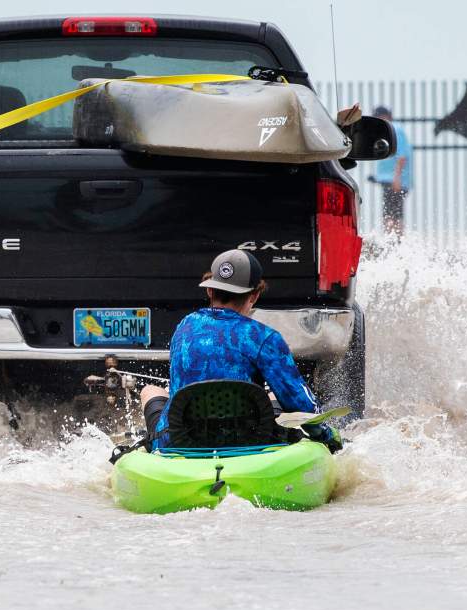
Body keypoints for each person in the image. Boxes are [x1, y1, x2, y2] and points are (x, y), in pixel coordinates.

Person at [138, 249, 342, 452]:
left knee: (151, 390)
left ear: (210, 291)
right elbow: (299, 403)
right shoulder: (263, 337)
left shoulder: (185, 327)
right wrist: (326, 435)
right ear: (254, 295)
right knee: (272, 396)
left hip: (181, 440)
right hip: (249, 440)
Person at [369, 105, 414, 236]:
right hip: (390, 179)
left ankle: (395, 244)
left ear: (384, 117)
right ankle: (393, 242)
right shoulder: (390, 130)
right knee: (391, 215)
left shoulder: (394, 129)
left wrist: (396, 178)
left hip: (394, 181)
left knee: (392, 216)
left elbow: (402, 156)